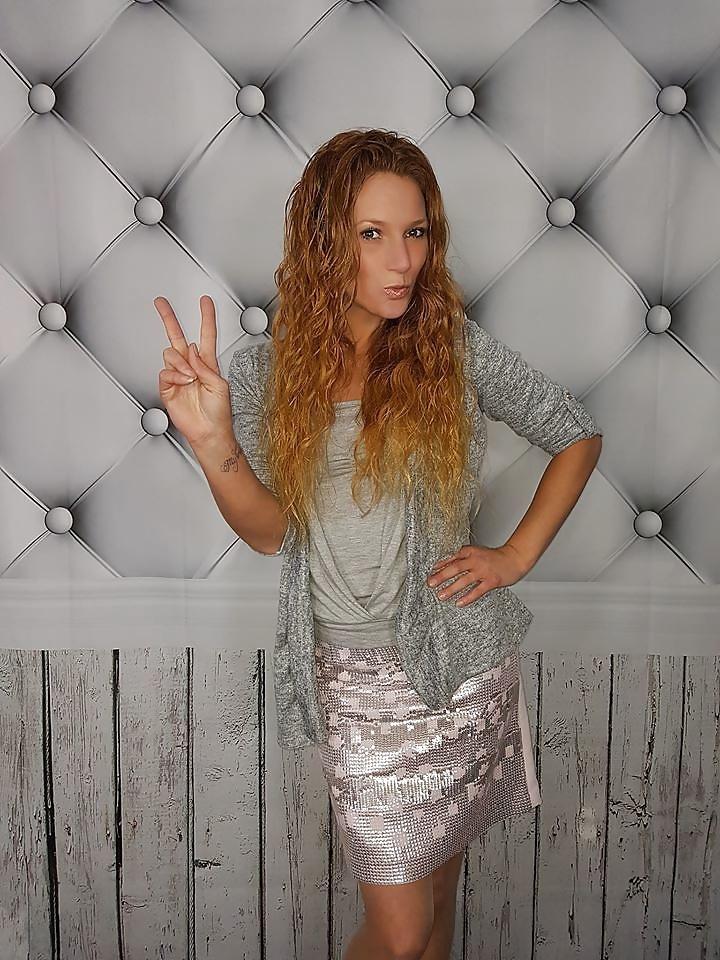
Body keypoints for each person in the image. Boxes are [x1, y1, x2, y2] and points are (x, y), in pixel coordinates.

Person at [154, 128, 603, 960]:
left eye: (416, 232)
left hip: (459, 668)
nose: (402, 261)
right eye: (372, 233)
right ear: (325, 241)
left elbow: (575, 432)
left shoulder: (451, 351)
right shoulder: (262, 374)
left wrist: (514, 556)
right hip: (353, 684)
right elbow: (270, 533)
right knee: (399, 935)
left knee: (431, 914)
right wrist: (213, 444)